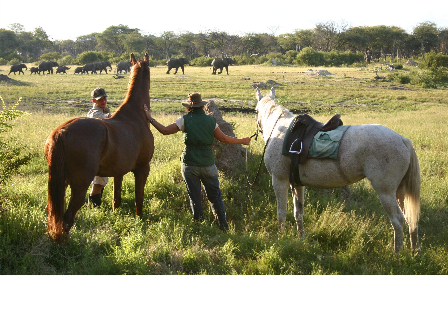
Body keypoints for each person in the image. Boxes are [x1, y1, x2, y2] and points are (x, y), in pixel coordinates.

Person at [144, 93, 251, 231]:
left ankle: (199, 226)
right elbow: (224, 139)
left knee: (195, 197)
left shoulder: (184, 120)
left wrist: (150, 118)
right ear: (201, 106)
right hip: (208, 165)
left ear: (189, 107)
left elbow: (164, 130)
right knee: (215, 197)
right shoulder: (211, 121)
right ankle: (223, 227)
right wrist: (242, 140)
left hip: (189, 165)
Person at [87, 87, 111, 207]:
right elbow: (108, 121)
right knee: (98, 181)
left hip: (102, 151)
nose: (103, 101)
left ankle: (95, 203)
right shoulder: (94, 113)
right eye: (100, 99)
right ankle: (94, 207)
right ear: (94, 101)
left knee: (101, 180)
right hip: (96, 152)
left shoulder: (103, 110)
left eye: (104, 98)